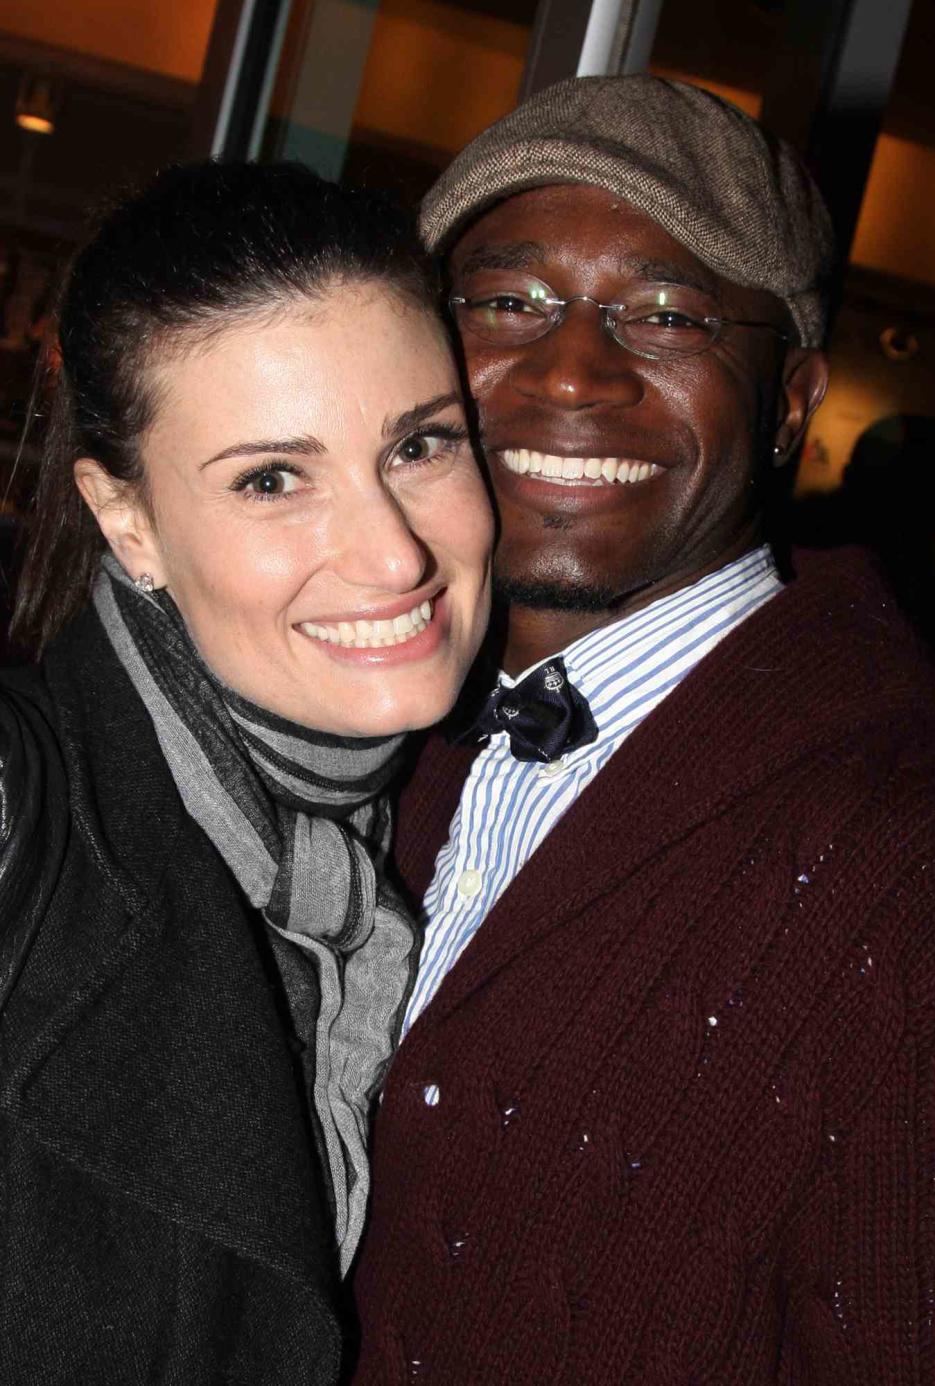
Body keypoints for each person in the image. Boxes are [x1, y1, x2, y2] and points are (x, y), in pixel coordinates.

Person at [353, 75, 935, 1382]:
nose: (573, 366)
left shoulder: (917, 866)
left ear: (792, 402)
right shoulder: (352, 718)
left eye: (670, 314)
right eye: (510, 302)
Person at [0, 161, 492, 1384]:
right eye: (273, 479)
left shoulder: (424, 827)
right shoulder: (26, 807)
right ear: (127, 522)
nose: (392, 553)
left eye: (421, 444)